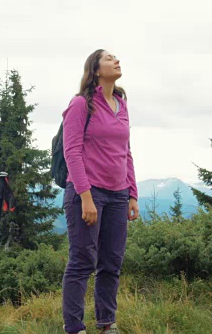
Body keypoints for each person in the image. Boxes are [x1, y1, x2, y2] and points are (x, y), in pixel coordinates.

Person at [61, 49, 139, 334]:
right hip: (87, 192)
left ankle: (107, 324)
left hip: (119, 194)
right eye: (109, 58)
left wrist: (132, 193)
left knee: (111, 264)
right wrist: (85, 197)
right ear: (95, 69)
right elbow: (72, 151)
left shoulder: (121, 103)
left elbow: (125, 152)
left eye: (116, 57)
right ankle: (74, 327)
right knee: (82, 262)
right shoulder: (82, 104)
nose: (116, 60)